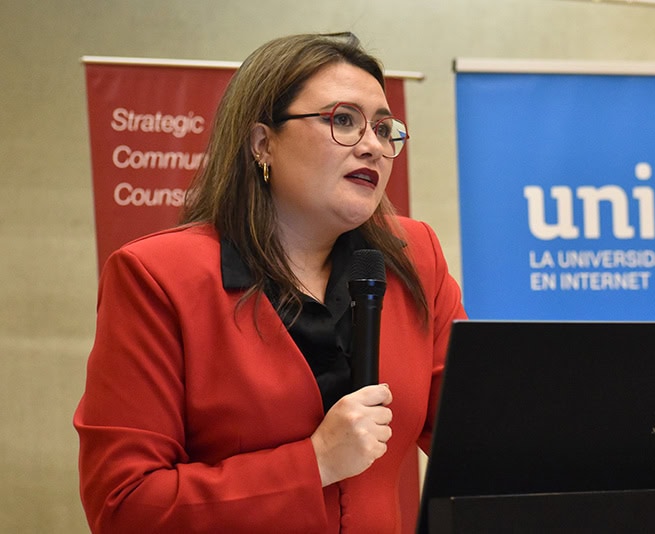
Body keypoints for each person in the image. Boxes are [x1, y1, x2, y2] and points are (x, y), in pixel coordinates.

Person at [74, 33, 466, 533]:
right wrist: (316, 462)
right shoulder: (158, 277)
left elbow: (477, 437)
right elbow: (123, 506)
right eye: (343, 120)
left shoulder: (413, 257)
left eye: (384, 127)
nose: (372, 146)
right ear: (263, 143)